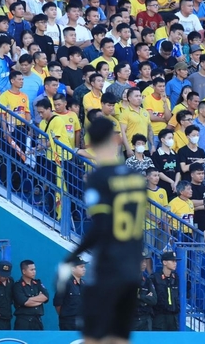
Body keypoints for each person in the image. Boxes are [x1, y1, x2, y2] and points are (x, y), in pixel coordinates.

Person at [56, 117, 146, 343]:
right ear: (115, 139)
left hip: (108, 266)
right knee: (119, 337)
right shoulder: (136, 178)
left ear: (91, 143)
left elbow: (102, 225)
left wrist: (71, 257)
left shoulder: (98, 178)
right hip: (132, 266)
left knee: (93, 336)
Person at [13, 259, 48, 330]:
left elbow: (46, 296)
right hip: (23, 322)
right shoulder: (17, 286)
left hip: (37, 321)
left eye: (34, 269)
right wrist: (39, 299)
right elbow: (25, 302)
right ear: (24, 271)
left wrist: (29, 299)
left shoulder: (37, 283)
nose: (34, 272)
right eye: (31, 270)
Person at [53, 256, 85, 331]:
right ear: (73, 268)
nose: (84, 269)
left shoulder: (83, 284)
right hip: (68, 323)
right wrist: (66, 316)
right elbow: (57, 304)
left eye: (84, 267)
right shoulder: (65, 283)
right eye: (81, 267)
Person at [151, 252, 180, 331]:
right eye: (172, 261)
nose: (175, 263)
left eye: (175, 261)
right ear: (164, 262)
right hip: (160, 317)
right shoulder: (155, 278)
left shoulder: (175, 278)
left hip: (173, 317)